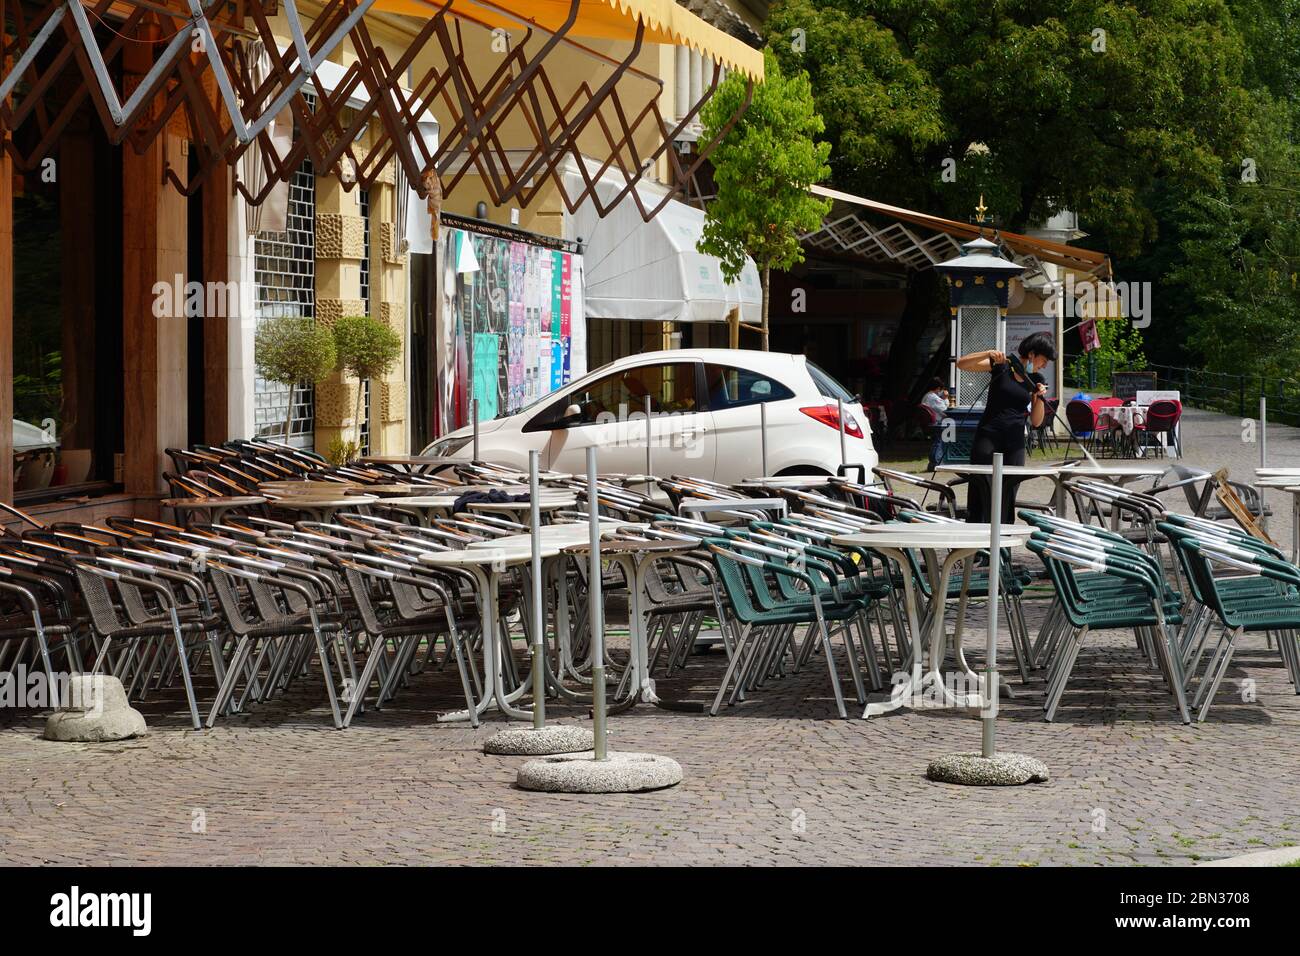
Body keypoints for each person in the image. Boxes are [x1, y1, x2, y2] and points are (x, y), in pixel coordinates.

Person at [955, 331, 1055, 524]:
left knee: (1009, 491)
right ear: (1032, 354)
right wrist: (988, 353)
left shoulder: (1036, 378)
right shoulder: (1003, 366)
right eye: (1044, 359)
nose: (1045, 365)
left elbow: (1036, 422)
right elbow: (962, 364)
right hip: (988, 435)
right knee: (980, 489)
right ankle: (977, 546)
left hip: (1014, 442)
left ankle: (1003, 547)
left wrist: (1039, 397)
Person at [921, 378, 949, 470]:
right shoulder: (933, 397)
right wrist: (945, 398)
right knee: (948, 435)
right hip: (937, 424)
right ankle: (938, 461)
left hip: (932, 423)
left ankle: (936, 461)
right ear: (938, 388)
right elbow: (945, 411)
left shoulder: (927, 396)